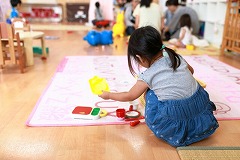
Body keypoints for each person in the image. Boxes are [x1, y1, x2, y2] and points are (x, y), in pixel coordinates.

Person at [99, 26, 218, 147]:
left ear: (139, 58)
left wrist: (108, 95)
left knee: (149, 93)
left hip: (174, 120)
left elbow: (130, 95)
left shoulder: (149, 74)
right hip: (200, 112)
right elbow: (191, 72)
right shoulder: (176, 57)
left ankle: (177, 134)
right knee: (194, 84)